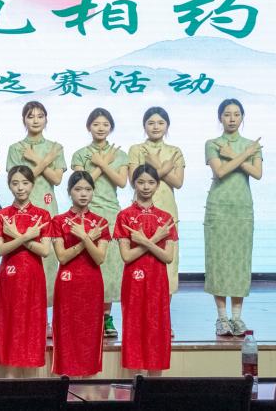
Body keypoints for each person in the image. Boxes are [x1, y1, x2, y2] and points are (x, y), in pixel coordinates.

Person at [203, 99, 263, 337]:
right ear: (220, 117)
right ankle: (221, 318)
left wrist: (236, 154)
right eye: (227, 114)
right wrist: (243, 156)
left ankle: (237, 318)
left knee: (240, 260)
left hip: (241, 208)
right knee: (218, 261)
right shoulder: (212, 143)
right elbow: (220, 171)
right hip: (218, 207)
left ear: (242, 117)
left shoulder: (252, 145)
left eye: (236, 114)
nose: (232, 119)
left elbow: (257, 173)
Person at [5, 101, 64, 335]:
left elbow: (57, 179)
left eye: (40, 115)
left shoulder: (55, 147)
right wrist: (43, 160)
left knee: (48, 264)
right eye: (31, 116)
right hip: (21, 211)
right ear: (24, 120)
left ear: (47, 119)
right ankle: (23, 315)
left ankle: (46, 319)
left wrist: (38, 160)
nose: (36, 120)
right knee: (23, 263)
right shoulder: (16, 148)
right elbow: (19, 179)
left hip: (47, 208)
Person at [114, 164, 178, 375]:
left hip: (158, 282)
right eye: (141, 182)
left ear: (157, 185)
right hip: (133, 282)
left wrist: (148, 241)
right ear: (133, 184)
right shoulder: (124, 216)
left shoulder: (166, 219)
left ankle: (154, 387)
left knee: (157, 330)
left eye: (151, 182)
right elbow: (127, 256)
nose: (146, 187)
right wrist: (154, 240)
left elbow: (167, 257)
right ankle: (136, 385)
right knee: (134, 328)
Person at [70, 108, 128, 338]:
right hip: (85, 213)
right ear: (88, 127)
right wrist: (101, 164)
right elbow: (80, 184)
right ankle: (85, 314)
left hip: (111, 213)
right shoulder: (80, 154)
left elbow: (122, 182)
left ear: (111, 127)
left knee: (109, 267)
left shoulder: (120, 155)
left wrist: (104, 164)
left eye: (105, 124)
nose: (101, 128)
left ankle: (106, 317)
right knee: (85, 264)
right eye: (96, 124)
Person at [128, 107, 185, 334]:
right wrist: (163, 168)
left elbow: (178, 182)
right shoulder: (136, 149)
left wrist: (155, 166)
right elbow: (134, 181)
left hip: (167, 213)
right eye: (151, 122)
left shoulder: (175, 151)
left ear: (167, 126)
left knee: (167, 268)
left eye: (160, 123)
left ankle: (163, 319)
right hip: (139, 214)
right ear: (144, 125)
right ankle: (141, 320)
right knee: (140, 266)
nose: (156, 127)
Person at [49, 171, 110, 377]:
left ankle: (89, 384)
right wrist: (87, 240)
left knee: (90, 333)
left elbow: (99, 258)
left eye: (88, 189)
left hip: (92, 283)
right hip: (67, 284)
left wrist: (84, 237)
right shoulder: (58, 221)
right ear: (69, 192)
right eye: (78, 189)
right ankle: (67, 382)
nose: (83, 194)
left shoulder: (101, 223)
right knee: (66, 332)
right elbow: (62, 257)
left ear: (93, 192)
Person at [0, 165, 51, 376]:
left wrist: (16, 236)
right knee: (9, 324)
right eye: (15, 183)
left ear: (32, 185)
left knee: (32, 325)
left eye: (25, 183)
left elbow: (45, 251)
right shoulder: (1, 215)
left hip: (34, 276)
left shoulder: (43, 215)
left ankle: (31, 383)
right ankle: (9, 382)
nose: (20, 188)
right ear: (9, 186)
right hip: (9, 277)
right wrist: (26, 236)